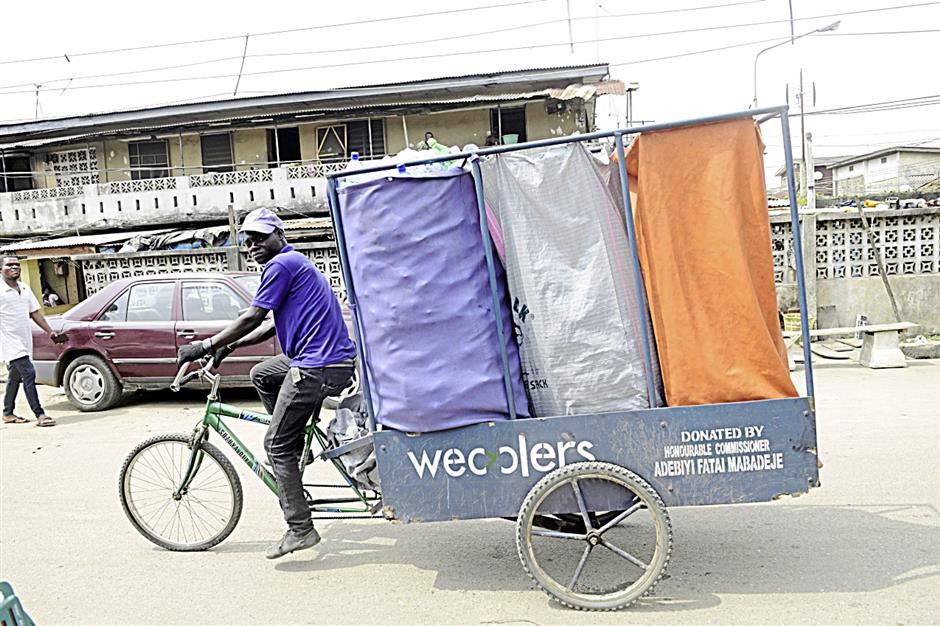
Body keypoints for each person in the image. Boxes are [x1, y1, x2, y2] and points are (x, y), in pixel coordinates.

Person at [177, 208, 356, 560]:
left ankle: (300, 528)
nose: (252, 245)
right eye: (247, 240)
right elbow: (270, 325)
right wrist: (228, 346)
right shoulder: (294, 265)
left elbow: (252, 316)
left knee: (274, 445)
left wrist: (205, 345)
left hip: (316, 365)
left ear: (280, 235)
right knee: (263, 373)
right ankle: (291, 440)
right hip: (324, 360)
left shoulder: (280, 266)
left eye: (260, 237)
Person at [1, 256, 64, 427]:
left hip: (24, 339)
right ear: (1, 269)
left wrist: (50, 331)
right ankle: (40, 414)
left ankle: (7, 413)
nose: (15, 267)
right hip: (8, 342)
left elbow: (34, 312)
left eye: (16, 264)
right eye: (9, 265)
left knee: (15, 376)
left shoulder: (24, 288)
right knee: (28, 373)